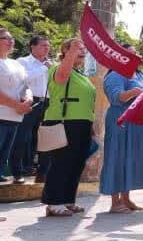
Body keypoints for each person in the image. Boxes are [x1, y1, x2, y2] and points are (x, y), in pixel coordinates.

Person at [40, 38, 96, 217]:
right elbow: (61, 78)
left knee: (76, 163)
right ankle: (53, 202)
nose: (82, 51)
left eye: (83, 49)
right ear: (65, 50)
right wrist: (72, 51)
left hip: (81, 123)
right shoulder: (57, 67)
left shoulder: (81, 74)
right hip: (64, 121)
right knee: (61, 163)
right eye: (77, 48)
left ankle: (67, 200)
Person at [100, 46, 143, 213]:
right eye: (130, 53)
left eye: (135, 52)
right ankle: (114, 201)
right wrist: (136, 92)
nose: (135, 55)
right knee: (118, 157)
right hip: (121, 122)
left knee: (129, 159)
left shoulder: (139, 74)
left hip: (138, 125)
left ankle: (126, 198)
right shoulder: (115, 74)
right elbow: (116, 97)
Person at [13, 34, 51, 184]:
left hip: (47, 102)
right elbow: (23, 79)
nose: (46, 48)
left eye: (48, 46)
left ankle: (42, 172)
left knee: (45, 138)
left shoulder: (50, 64)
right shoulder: (22, 61)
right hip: (29, 101)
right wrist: (43, 68)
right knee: (21, 137)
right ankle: (18, 172)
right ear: (32, 46)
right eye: (43, 45)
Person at [0, 28, 32, 203]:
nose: (11, 41)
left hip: (15, 119)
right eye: (6, 38)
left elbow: (25, 86)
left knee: (2, 162)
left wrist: (27, 100)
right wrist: (16, 105)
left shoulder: (16, 64)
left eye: (12, 39)